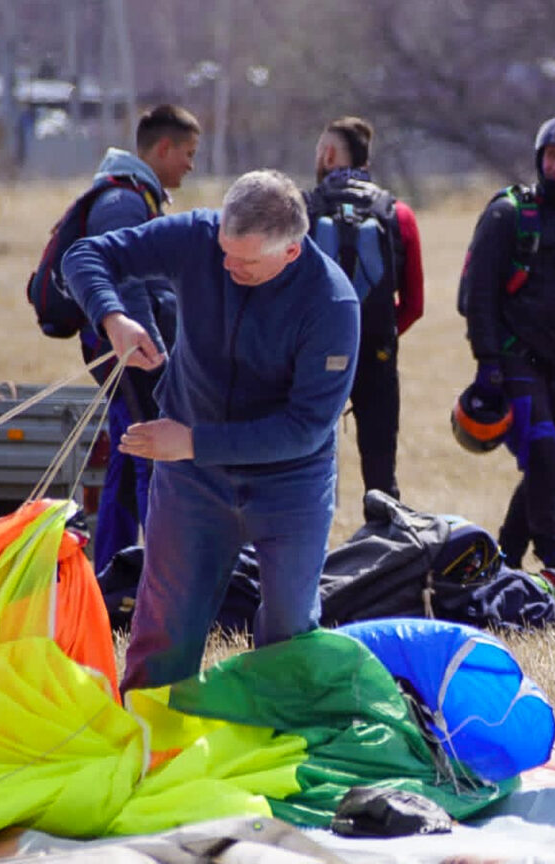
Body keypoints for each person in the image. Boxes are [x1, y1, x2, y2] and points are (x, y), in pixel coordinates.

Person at [61, 170, 360, 691]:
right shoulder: (201, 238)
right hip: (192, 479)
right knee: (165, 625)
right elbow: (84, 255)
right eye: (224, 249)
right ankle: (151, 737)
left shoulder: (331, 304)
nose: (225, 266)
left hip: (289, 482)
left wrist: (193, 442)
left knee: (290, 625)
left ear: (290, 252)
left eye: (244, 261)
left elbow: (306, 429)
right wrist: (113, 317)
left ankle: (275, 739)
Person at [459, 115, 555, 580]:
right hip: (514, 359)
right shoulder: (507, 214)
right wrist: (488, 361)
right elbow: (477, 295)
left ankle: (505, 556)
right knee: (544, 456)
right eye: (551, 156)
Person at [73, 104, 200, 575]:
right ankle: (159, 572)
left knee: (129, 461)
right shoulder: (123, 202)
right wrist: (152, 350)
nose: (191, 164)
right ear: (162, 148)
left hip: (135, 350)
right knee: (152, 457)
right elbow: (124, 281)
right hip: (132, 352)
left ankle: (114, 569)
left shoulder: (138, 196)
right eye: (187, 152)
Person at [308, 116, 425, 500]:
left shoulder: (302, 210)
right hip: (377, 347)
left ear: (327, 155)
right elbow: (414, 303)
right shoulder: (397, 213)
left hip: (315, 351)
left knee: (308, 462)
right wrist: (377, 332)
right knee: (380, 466)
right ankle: (386, 543)